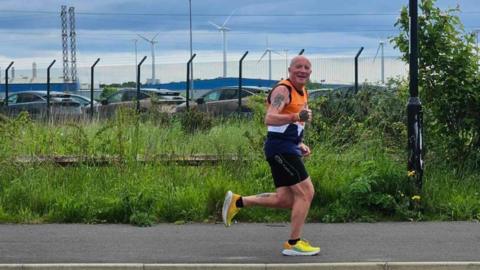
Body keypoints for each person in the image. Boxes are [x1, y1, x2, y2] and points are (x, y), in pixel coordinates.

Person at [222, 55, 320, 256]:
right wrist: (295, 117)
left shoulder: (303, 92)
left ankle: (238, 201)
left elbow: (293, 125)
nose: (303, 70)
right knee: (306, 192)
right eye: (298, 67)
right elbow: (270, 118)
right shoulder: (284, 90)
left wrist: (299, 143)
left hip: (288, 147)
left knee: (285, 199)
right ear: (290, 69)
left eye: (307, 67)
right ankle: (294, 244)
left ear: (311, 71)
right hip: (280, 149)